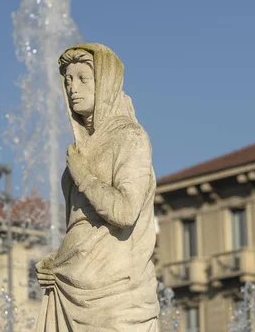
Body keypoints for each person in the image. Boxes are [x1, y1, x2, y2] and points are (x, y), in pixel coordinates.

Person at [35, 43, 160, 331]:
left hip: (115, 299)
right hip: (70, 291)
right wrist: (58, 260)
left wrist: (84, 176)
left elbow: (126, 212)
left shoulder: (131, 138)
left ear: (104, 83)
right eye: (67, 80)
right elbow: (82, 227)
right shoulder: (80, 152)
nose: (72, 88)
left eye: (82, 79)